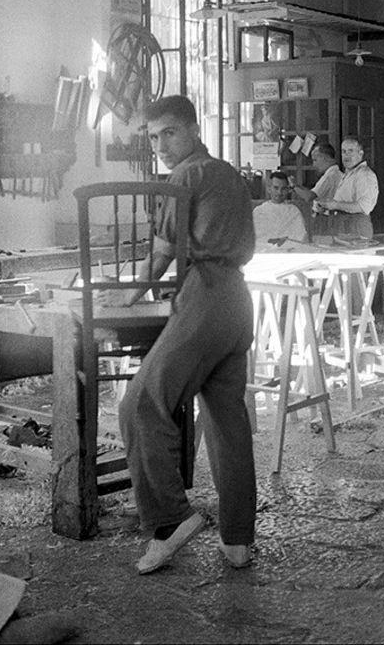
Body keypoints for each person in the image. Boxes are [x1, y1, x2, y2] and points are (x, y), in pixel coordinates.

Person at [99, 95, 256, 575]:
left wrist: (122, 298)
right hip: (237, 300)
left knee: (140, 404)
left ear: (193, 130)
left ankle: (170, 521)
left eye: (169, 133)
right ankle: (237, 540)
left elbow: (161, 254)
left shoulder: (185, 176)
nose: (161, 145)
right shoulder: (229, 173)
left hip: (206, 297)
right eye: (152, 137)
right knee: (226, 421)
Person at [317, 136, 379, 239]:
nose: (346, 155)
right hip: (343, 227)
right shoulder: (349, 173)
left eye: (351, 151)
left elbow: (364, 207)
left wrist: (335, 205)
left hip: (356, 229)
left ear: (360, 154)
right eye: (344, 151)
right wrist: (327, 207)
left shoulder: (364, 175)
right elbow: (344, 202)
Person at [288, 143, 342, 237]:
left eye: (315, 160)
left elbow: (309, 197)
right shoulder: (333, 173)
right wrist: (297, 186)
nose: (314, 164)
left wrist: (293, 186)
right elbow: (313, 193)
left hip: (327, 220)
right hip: (328, 218)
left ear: (324, 158)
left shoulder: (330, 176)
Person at [253, 170, 308, 246]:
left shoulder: (293, 211)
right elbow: (253, 237)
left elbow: (301, 237)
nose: (279, 192)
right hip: (264, 251)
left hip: (289, 251)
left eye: (283, 189)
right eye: (276, 188)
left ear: (288, 190)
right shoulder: (259, 211)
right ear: (269, 189)